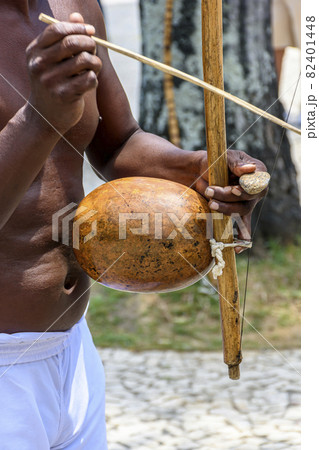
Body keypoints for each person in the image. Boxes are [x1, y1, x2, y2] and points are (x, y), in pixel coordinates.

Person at [0, 1, 267, 448]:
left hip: (73, 350)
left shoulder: (75, 7)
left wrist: (202, 170)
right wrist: (38, 118)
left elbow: (117, 142)